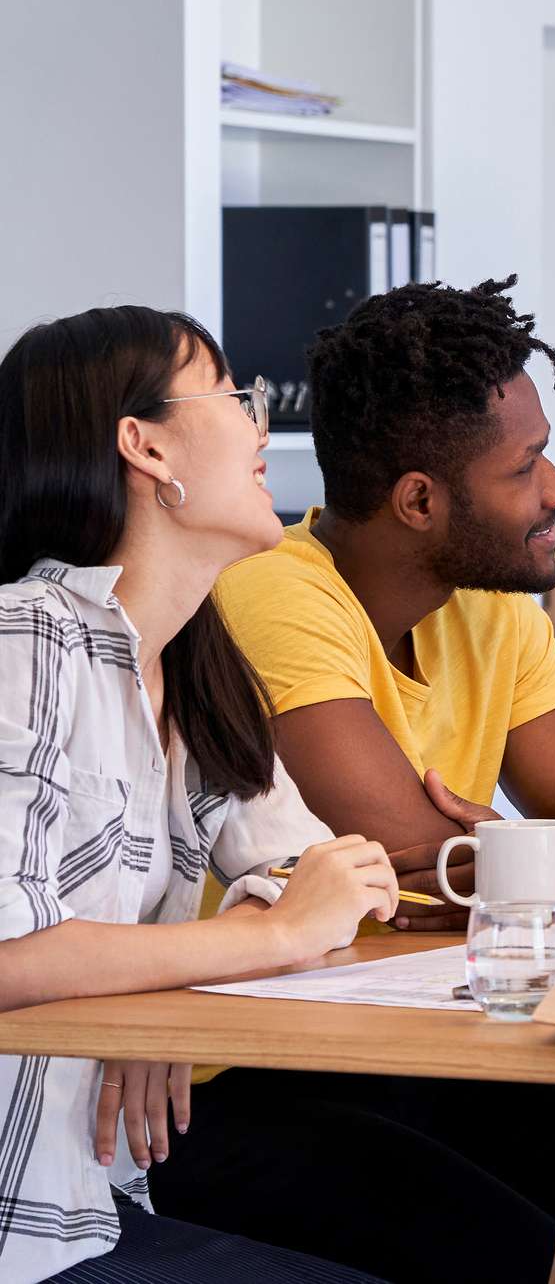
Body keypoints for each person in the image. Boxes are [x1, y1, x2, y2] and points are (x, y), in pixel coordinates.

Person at [146, 278, 555, 1284]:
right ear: (420, 501)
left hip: (420, 1044)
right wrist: (517, 862)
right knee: (531, 1260)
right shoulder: (272, 594)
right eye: (526, 468)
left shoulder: (489, 598)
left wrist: (521, 870)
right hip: (252, 1071)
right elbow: (413, 859)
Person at [0, 305, 401, 1282]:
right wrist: (264, 937)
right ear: (144, 445)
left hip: (89, 1200)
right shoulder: (27, 640)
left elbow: (344, 878)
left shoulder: (195, 667)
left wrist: (161, 987)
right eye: (233, 396)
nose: (263, 429)